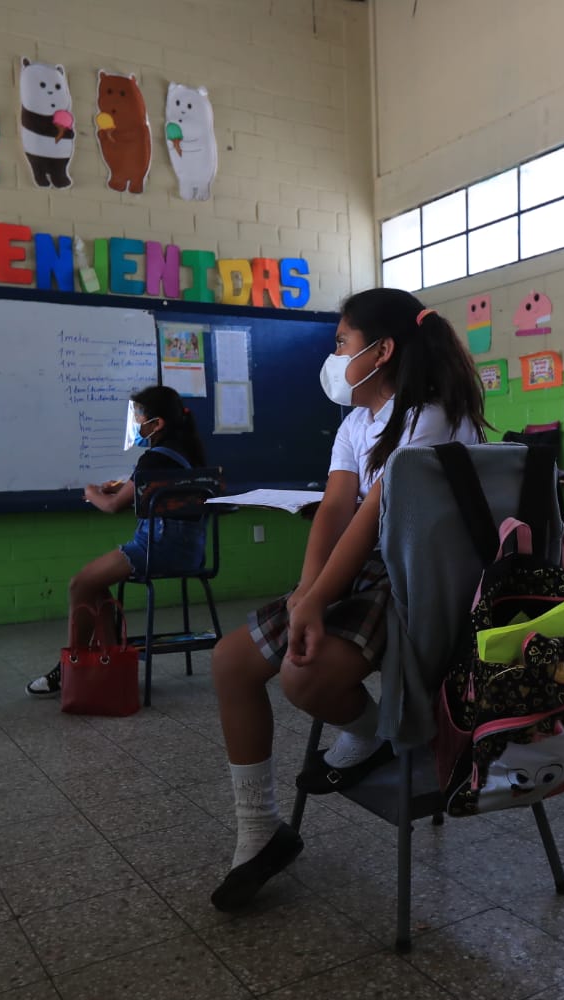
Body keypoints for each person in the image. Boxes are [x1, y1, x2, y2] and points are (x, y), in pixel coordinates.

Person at [205, 288, 489, 912]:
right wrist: (308, 592)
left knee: (303, 680)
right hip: (359, 572)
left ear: (382, 350)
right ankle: (260, 831)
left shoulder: (430, 416)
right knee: (231, 663)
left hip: (416, 581)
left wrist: (316, 598)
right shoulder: (358, 423)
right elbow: (335, 508)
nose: (333, 357)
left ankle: (376, 733)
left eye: (341, 343)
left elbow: (373, 518)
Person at [26, 385, 208, 696]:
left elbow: (112, 506)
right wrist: (125, 486)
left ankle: (73, 666)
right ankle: (108, 663)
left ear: (156, 424)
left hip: (154, 550)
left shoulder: (152, 461)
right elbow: (141, 491)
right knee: (94, 584)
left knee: (80, 584)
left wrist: (92, 492)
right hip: (190, 553)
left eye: (138, 417)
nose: (135, 423)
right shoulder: (187, 455)